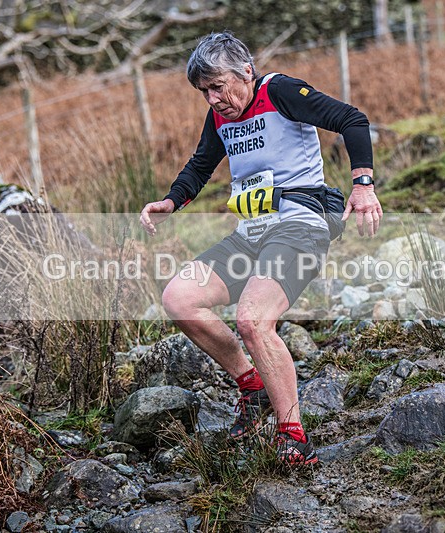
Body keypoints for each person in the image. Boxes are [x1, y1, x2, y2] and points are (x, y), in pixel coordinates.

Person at [140, 32, 382, 466]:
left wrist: (363, 185)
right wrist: (171, 202)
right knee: (180, 298)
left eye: (218, 86)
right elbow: (200, 165)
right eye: (204, 92)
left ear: (246, 72)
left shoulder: (280, 91)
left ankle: (293, 437)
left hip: (300, 226)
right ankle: (253, 386)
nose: (213, 99)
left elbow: (352, 119)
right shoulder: (220, 116)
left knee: (253, 320)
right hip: (252, 233)